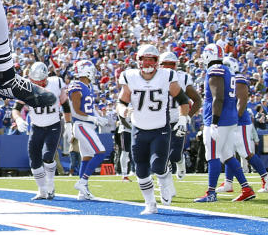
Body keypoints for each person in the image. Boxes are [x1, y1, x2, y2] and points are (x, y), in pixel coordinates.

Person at [117, 45, 190, 214]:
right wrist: (123, 111)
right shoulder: (130, 77)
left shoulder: (167, 76)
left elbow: (182, 99)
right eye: (144, 59)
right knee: (140, 169)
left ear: (157, 62)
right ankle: (150, 203)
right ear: (138, 61)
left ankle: (165, 179)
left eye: (151, 59)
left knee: (157, 165)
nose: (148, 63)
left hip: (159, 129)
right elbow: (122, 101)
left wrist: (183, 118)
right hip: (139, 129)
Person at [194, 44, 256, 203]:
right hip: (230, 118)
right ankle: (246, 188)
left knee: (212, 155)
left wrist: (214, 122)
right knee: (227, 154)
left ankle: (211, 192)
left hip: (218, 120)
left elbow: (218, 97)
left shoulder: (215, 70)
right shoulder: (227, 70)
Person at [217, 57, 268, 193]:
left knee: (246, 152)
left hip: (240, 122)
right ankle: (228, 183)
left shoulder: (238, 79)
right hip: (231, 121)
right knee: (228, 152)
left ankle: (266, 178)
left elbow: (241, 102)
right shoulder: (225, 81)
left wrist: (234, 119)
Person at [12, 62, 69, 200]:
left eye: (41, 81)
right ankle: (42, 190)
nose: (38, 84)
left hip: (53, 125)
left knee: (48, 156)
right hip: (36, 127)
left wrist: (69, 124)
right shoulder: (26, 87)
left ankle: (50, 185)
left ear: (46, 77)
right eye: (35, 81)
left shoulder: (56, 83)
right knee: (34, 159)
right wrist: (19, 120)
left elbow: (66, 106)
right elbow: (16, 109)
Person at [68, 60, 108, 200]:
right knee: (101, 152)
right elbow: (75, 112)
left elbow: (89, 110)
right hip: (81, 125)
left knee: (87, 157)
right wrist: (93, 119)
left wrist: (98, 117)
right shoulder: (77, 85)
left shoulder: (88, 86)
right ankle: (83, 182)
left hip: (86, 125)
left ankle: (82, 193)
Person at [159, 51, 201, 179]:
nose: (168, 67)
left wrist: (187, 117)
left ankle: (180, 161)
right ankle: (166, 182)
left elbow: (197, 100)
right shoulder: (153, 79)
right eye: (165, 64)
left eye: (171, 64)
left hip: (178, 119)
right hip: (160, 121)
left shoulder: (182, 77)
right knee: (161, 153)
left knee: (175, 155)